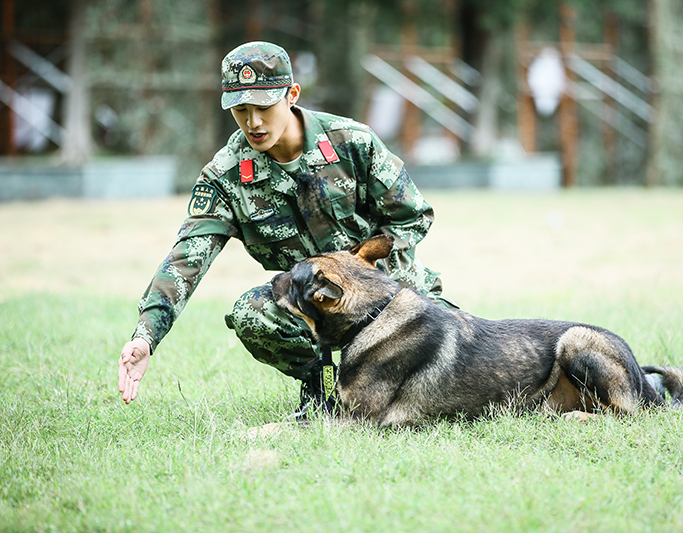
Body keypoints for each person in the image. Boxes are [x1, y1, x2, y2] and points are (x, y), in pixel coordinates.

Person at [117, 41, 449, 418]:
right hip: (307, 301)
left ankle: (387, 379)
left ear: (291, 95)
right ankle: (323, 387)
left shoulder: (351, 142)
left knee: (452, 360)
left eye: (263, 107)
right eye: (240, 110)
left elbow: (411, 216)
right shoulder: (224, 178)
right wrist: (145, 337)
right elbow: (184, 262)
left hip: (382, 289)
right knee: (251, 314)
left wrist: (370, 275)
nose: (253, 123)